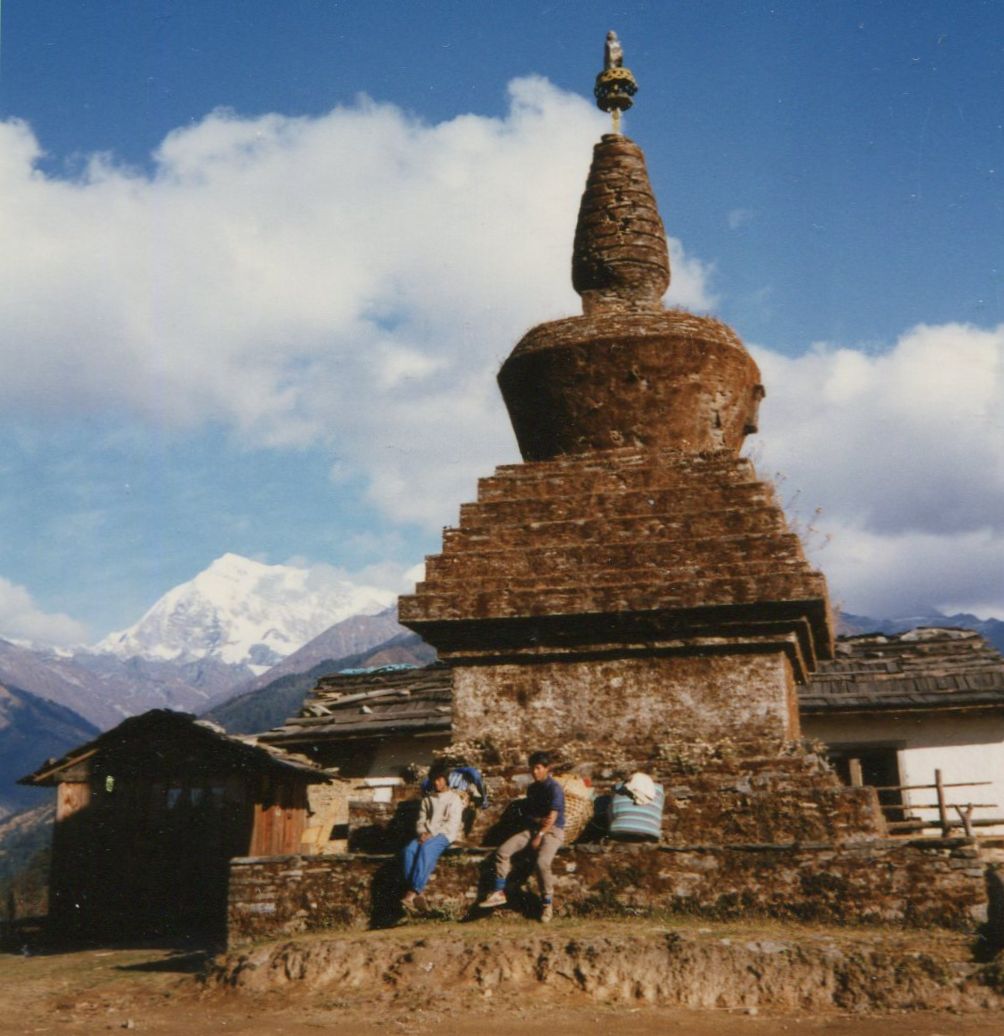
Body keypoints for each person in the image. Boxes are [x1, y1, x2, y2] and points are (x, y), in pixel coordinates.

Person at [479, 750, 565, 923]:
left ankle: (547, 904)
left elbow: (552, 817)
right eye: (532, 768)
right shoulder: (533, 788)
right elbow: (531, 814)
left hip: (552, 830)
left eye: (539, 768)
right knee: (502, 851)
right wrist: (533, 826)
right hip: (532, 829)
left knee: (542, 863)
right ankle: (499, 892)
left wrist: (539, 836)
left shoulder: (554, 788)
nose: (535, 772)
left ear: (547, 769)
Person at [400, 763, 464, 915]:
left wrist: (432, 833)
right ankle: (417, 894)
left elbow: (452, 823)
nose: (437, 783)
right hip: (426, 835)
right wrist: (422, 832)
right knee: (408, 850)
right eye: (434, 780)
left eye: (441, 779)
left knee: (426, 849)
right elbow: (421, 820)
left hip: (445, 834)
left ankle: (412, 892)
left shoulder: (454, 799)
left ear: (447, 780)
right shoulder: (428, 800)